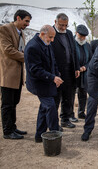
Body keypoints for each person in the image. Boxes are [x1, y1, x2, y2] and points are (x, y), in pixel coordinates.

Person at [25, 25, 63, 142]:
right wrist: (52, 77)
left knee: (44, 108)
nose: (52, 40)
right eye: (50, 37)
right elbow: (35, 70)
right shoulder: (32, 47)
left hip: (48, 81)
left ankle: (39, 136)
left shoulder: (46, 43)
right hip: (39, 84)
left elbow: (53, 61)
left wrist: (57, 75)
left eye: (53, 38)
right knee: (50, 107)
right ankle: (54, 134)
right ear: (42, 34)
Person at [0, 9, 32, 139]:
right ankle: (7, 131)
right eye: (26, 21)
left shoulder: (21, 33)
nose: (28, 24)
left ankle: (13, 127)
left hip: (18, 75)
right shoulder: (5, 30)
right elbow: (8, 50)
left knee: (14, 102)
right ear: (18, 18)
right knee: (7, 104)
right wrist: (28, 57)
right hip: (8, 74)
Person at [51, 13, 80, 129]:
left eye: (65, 25)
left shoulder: (69, 33)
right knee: (56, 98)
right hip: (57, 71)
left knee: (68, 97)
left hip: (70, 70)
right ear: (55, 22)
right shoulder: (51, 33)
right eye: (61, 25)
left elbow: (73, 51)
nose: (63, 28)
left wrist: (77, 67)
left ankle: (65, 119)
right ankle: (54, 123)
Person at [74, 25, 92, 119]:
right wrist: (77, 68)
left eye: (84, 36)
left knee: (83, 94)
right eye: (80, 36)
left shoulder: (87, 45)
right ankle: (69, 115)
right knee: (70, 95)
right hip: (73, 73)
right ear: (76, 33)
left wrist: (85, 67)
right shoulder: (71, 43)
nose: (82, 38)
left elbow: (91, 60)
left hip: (84, 74)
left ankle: (81, 112)